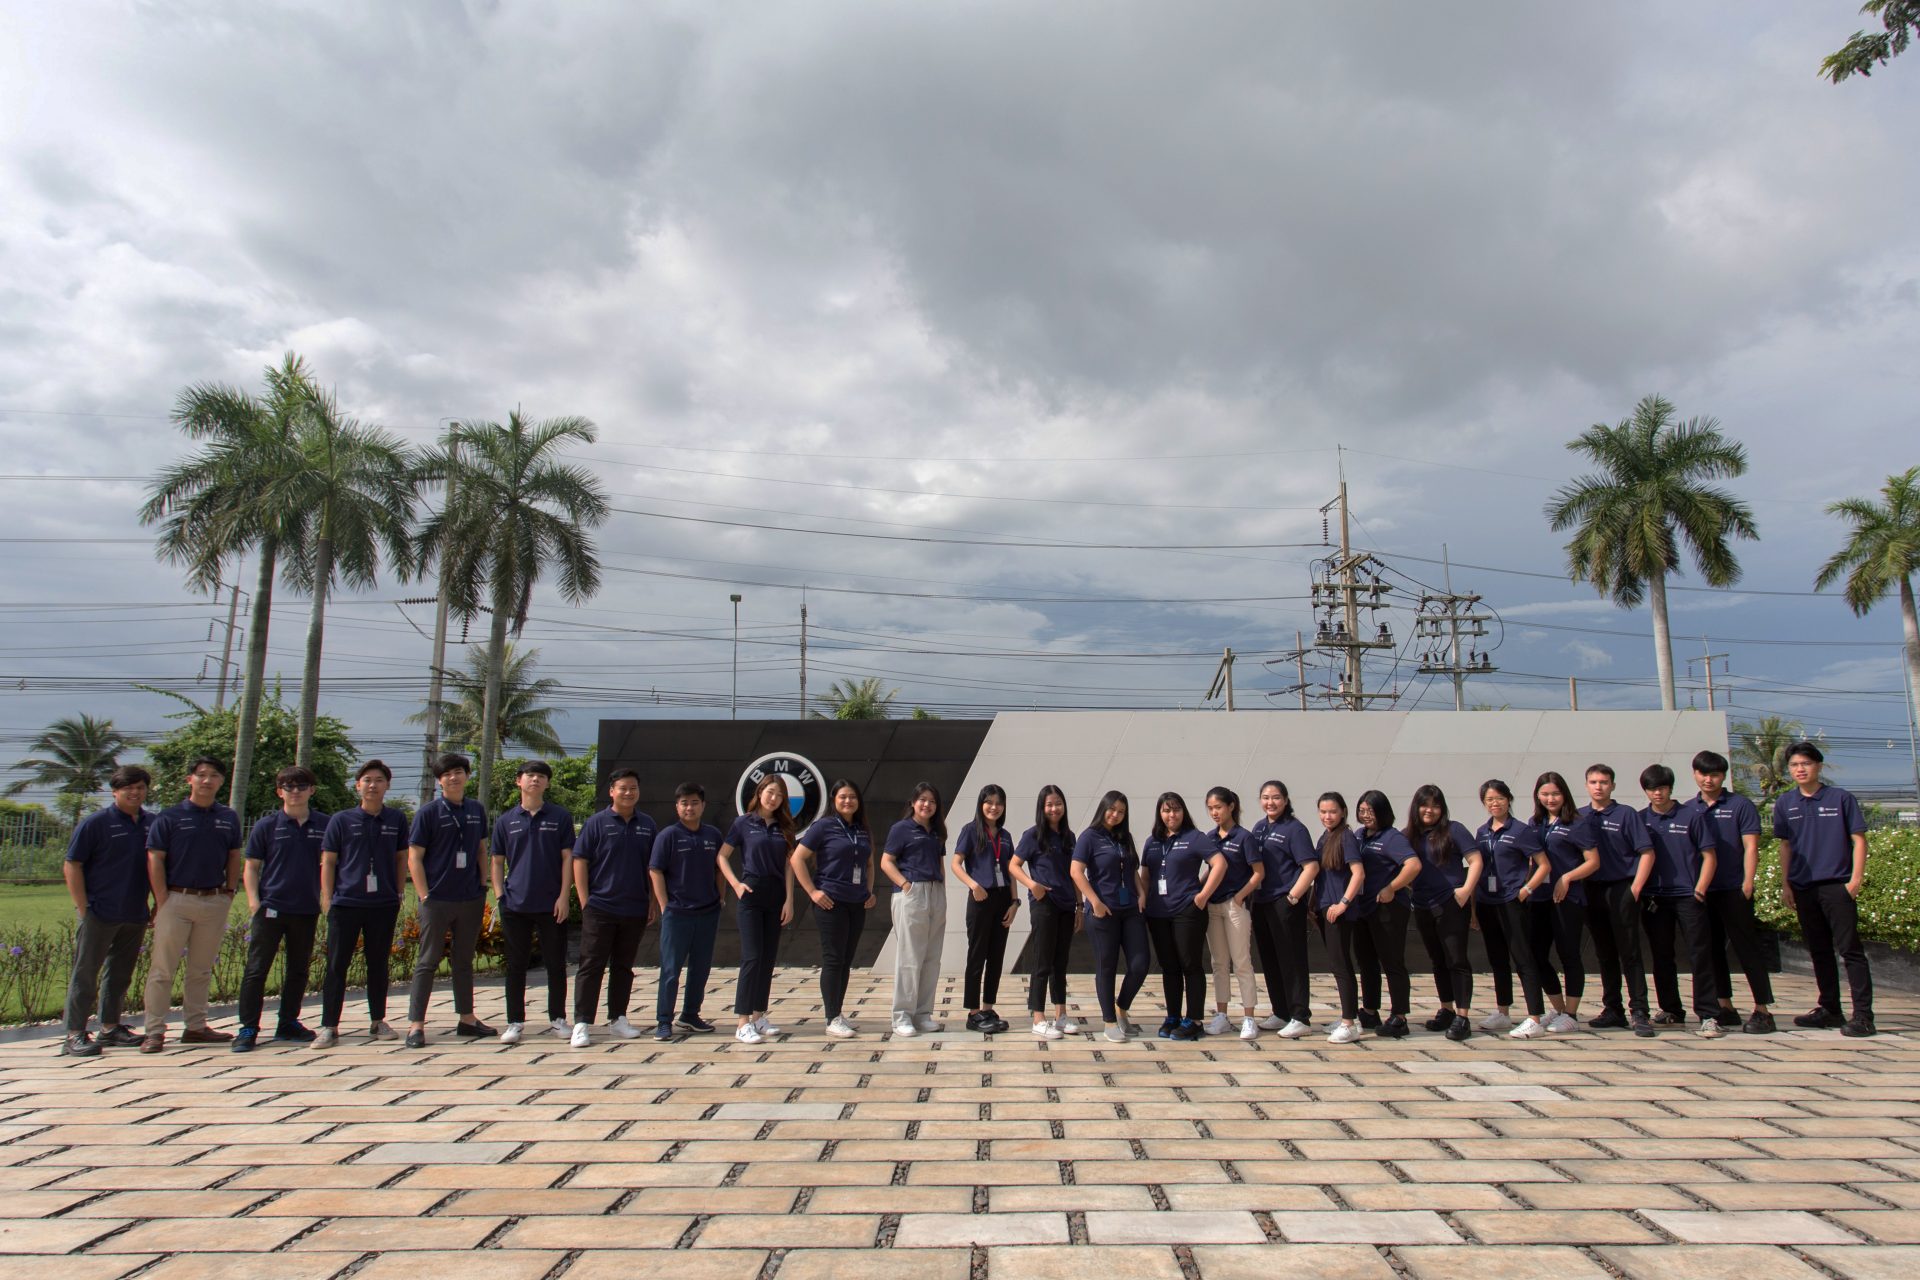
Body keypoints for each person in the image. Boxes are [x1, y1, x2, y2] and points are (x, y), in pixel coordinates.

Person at [142, 756, 244, 1051]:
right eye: (201, 775)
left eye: (214, 775)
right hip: (176, 898)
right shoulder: (170, 817)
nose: (207, 780)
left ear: (222, 781)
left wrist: (228, 891)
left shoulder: (228, 817)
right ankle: (154, 1031)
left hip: (213, 899)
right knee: (162, 970)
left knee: (201, 969)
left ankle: (196, 1026)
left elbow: (234, 854)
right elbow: (155, 858)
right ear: (190, 779)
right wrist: (162, 899)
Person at [1773, 741, 1874, 1037]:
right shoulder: (1785, 803)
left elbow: (1859, 840)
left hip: (1836, 885)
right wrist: (1786, 883)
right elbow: (1785, 845)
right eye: (1794, 765)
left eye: (1805, 763)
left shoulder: (1840, 798)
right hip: (1804, 887)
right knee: (1819, 951)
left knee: (1850, 950)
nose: (1800, 769)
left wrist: (1854, 881)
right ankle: (1830, 1009)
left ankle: (1864, 1016)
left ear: (1818, 766)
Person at [60, 765, 153, 1056]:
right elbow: (72, 864)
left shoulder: (153, 823)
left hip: (135, 910)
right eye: (128, 788)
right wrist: (83, 905)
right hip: (99, 910)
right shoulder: (96, 823)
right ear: (114, 791)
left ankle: (110, 1027)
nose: (135, 792)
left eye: (140, 787)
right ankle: (75, 1033)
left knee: (120, 973)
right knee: (86, 972)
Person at [316, 760, 408, 1048]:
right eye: (367, 780)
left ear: (387, 785)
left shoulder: (396, 819)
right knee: (336, 965)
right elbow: (329, 861)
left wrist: (397, 891)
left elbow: (401, 858)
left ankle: (378, 1020)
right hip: (346, 902)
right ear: (358, 785)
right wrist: (327, 896)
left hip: (382, 903)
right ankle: (330, 1025)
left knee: (378, 963)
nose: (372, 785)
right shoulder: (341, 820)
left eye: (379, 780)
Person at [1681, 750, 1775, 1034]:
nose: (1708, 780)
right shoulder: (1689, 808)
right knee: (1711, 951)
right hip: (1702, 892)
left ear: (1723, 776)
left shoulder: (1739, 805)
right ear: (1695, 774)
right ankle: (1725, 1006)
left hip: (1733, 887)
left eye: (1715, 775)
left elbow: (1750, 846)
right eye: (1703, 774)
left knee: (1747, 948)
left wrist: (1748, 881)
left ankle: (1762, 1009)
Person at [233, 765, 326, 1051]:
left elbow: (332, 864)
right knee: (257, 969)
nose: (295, 792)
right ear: (280, 792)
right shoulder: (267, 826)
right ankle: (248, 1027)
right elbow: (251, 867)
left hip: (306, 908)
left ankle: (288, 1022)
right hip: (271, 908)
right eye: (288, 787)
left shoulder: (325, 825)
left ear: (312, 790)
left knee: (298, 969)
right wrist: (254, 902)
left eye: (301, 786)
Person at [406, 752, 494, 1048]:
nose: (453, 777)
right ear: (440, 780)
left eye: (459, 771)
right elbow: (414, 857)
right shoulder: (428, 813)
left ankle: (467, 1018)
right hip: (437, 899)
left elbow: (482, 850)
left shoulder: (475, 810)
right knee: (428, 961)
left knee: (463, 961)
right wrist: (424, 895)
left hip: (469, 897)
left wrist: (482, 884)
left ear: (468, 775)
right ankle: (416, 1024)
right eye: (447, 774)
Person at [571, 767, 658, 1045]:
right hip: (600, 906)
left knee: (623, 966)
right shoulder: (596, 823)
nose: (628, 792)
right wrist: (585, 901)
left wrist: (652, 902)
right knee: (591, 965)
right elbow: (580, 861)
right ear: (612, 791)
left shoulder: (647, 824)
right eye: (623, 788)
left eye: (633, 788)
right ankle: (582, 1022)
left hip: (633, 907)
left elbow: (653, 867)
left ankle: (618, 1018)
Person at [491, 761, 576, 1045]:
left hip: (551, 903)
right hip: (515, 904)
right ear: (519, 781)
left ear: (548, 783)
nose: (535, 780)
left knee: (556, 964)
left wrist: (565, 896)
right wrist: (500, 894)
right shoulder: (506, 820)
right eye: (530, 775)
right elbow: (497, 861)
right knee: (516, 965)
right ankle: (515, 1021)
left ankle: (558, 1019)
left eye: (541, 776)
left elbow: (568, 859)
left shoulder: (560, 817)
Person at [793, 778, 877, 1038]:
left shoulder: (862, 829)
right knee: (833, 959)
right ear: (834, 800)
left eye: (852, 797)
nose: (848, 801)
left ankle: (838, 1013)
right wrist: (813, 892)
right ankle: (831, 1017)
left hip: (856, 903)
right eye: (843, 797)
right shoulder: (823, 826)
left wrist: (869, 891)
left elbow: (870, 864)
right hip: (831, 902)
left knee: (845, 961)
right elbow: (797, 859)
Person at [1579, 763, 1657, 1038]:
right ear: (1586, 785)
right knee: (1604, 952)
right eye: (1593, 782)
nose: (1598, 786)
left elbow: (1646, 852)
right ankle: (1612, 1008)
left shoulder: (1626, 815)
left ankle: (1639, 1010)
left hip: (1622, 887)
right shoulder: (1580, 816)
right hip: (1592, 890)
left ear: (1612, 785)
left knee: (1630, 952)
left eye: (1604, 782)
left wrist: (1635, 886)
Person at [1640, 763, 1719, 1035]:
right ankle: (1671, 1009)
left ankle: (1708, 1013)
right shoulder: (1641, 819)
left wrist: (1700, 889)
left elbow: (1709, 855)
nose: (1657, 794)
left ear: (1670, 788)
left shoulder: (1691, 815)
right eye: (1651, 789)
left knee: (1700, 954)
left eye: (1661, 788)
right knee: (1662, 956)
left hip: (1688, 895)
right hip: (1655, 898)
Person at [719, 776, 798, 1044]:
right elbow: (722, 855)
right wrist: (735, 884)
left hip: (775, 897)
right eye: (769, 792)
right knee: (752, 957)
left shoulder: (785, 827)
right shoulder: (744, 823)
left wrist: (789, 900)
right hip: (751, 894)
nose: (773, 798)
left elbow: (789, 866)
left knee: (767, 958)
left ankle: (758, 1016)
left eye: (779, 794)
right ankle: (742, 1022)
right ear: (760, 792)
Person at [1141, 792, 1222, 1042]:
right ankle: (1173, 1016)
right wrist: (1143, 898)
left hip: (1187, 911)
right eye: (1166, 810)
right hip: (1158, 913)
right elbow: (1145, 874)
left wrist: (1202, 895)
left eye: (1175, 810)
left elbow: (1219, 864)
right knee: (1169, 967)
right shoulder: (1152, 842)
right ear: (1159, 814)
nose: (1171, 815)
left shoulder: (1194, 838)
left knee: (1190, 964)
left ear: (1183, 812)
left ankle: (1195, 1020)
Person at [1475, 780, 1552, 1039]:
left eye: (1499, 798)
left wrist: (1526, 890)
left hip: (1511, 900)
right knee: (1497, 958)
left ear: (1508, 799)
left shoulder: (1520, 831)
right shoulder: (1482, 832)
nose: (1494, 804)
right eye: (1489, 800)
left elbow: (1543, 865)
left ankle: (1534, 1017)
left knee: (1523, 958)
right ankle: (1503, 1012)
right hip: (1487, 901)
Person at [1406, 784, 1483, 1041]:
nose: (1429, 810)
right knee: (1437, 960)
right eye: (1424, 805)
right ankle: (1447, 1009)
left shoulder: (1454, 830)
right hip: (1423, 905)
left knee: (1456, 960)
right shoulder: (1409, 835)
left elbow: (1476, 861)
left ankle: (1463, 1016)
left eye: (1435, 805)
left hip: (1450, 904)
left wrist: (1464, 891)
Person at [1072, 790, 1148, 1043]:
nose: (1116, 814)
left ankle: (1121, 1007)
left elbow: (1132, 870)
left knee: (1140, 964)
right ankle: (1109, 1021)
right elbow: (1076, 871)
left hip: (1130, 911)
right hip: (1103, 912)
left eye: (1121, 811)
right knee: (1107, 967)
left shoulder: (1125, 838)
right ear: (1103, 808)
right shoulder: (1089, 837)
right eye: (1112, 809)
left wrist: (1141, 894)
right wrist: (1094, 902)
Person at [649, 782, 723, 1041]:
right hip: (677, 913)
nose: (689, 807)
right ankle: (663, 1020)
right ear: (677, 806)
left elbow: (719, 869)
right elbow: (655, 870)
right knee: (671, 970)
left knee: (700, 968)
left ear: (703, 805)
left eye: (694, 802)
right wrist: (663, 904)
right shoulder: (668, 835)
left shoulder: (712, 835)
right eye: (684, 803)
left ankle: (690, 1014)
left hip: (707, 911)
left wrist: (720, 897)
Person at [1249, 779, 1318, 1038]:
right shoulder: (1259, 828)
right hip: (1262, 902)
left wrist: (1293, 897)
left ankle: (1300, 1016)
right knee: (1270, 959)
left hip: (1285, 903)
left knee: (1292, 960)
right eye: (1266, 797)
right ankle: (1281, 1012)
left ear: (1286, 800)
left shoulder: (1295, 829)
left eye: (1276, 797)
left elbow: (1311, 866)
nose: (1270, 802)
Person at [1531, 771, 1599, 1033]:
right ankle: (1558, 1008)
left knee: (1568, 954)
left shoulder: (1576, 823)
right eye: (1545, 794)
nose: (1550, 798)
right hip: (1539, 898)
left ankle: (1571, 1012)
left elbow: (1593, 861)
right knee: (1537, 955)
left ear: (1565, 795)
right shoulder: (1535, 823)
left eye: (1555, 794)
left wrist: (1567, 877)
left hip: (1567, 898)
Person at [1011, 785, 1080, 1039]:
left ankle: (1060, 1015)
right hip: (1044, 905)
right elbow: (1014, 865)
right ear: (1042, 808)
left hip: (1067, 904)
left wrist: (1080, 905)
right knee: (1042, 961)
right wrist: (1032, 885)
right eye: (1049, 804)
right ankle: (1038, 1018)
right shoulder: (1033, 835)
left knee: (1060, 962)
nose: (1054, 809)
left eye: (1058, 804)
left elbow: (1076, 874)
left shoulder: (1069, 836)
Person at [883, 781, 949, 1036]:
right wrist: (905, 885)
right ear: (913, 802)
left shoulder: (937, 831)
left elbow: (940, 862)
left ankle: (923, 1014)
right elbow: (886, 862)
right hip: (912, 893)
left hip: (935, 892)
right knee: (910, 958)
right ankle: (902, 1016)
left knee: (932, 958)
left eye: (932, 801)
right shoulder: (901, 829)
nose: (927, 804)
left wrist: (941, 889)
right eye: (922, 799)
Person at [951, 784, 1016, 1034]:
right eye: (989, 802)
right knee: (977, 955)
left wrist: (1015, 903)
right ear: (981, 804)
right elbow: (956, 863)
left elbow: (1010, 870)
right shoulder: (971, 831)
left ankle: (988, 1008)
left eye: (999, 803)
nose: (994, 807)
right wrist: (973, 885)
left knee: (996, 957)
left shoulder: (1006, 835)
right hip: (980, 899)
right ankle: (973, 1012)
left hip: (1002, 900)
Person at [1354, 789, 1418, 1039]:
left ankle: (1400, 1016)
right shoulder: (1360, 836)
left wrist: (1392, 887)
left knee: (1392, 962)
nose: (1366, 815)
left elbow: (1413, 865)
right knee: (1366, 961)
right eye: (1362, 810)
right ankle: (1370, 1010)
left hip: (1388, 908)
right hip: (1363, 908)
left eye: (1371, 810)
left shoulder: (1392, 837)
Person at [1202, 786, 1264, 1040]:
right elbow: (1210, 870)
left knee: (1241, 962)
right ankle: (1222, 1015)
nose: (1214, 812)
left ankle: (1249, 1017)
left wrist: (1240, 897)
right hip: (1213, 906)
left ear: (1231, 807)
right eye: (1210, 808)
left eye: (1218, 807)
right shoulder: (1209, 838)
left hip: (1234, 906)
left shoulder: (1244, 837)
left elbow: (1258, 873)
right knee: (1218, 963)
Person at [1311, 792, 1368, 1044]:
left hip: (1339, 911)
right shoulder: (1326, 837)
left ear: (1343, 812)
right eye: (1323, 812)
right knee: (1337, 964)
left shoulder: (1346, 837)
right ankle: (1348, 1016)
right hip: (1325, 909)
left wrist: (1343, 903)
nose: (1327, 816)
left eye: (1332, 811)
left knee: (1341, 965)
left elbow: (1358, 873)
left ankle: (1349, 1024)